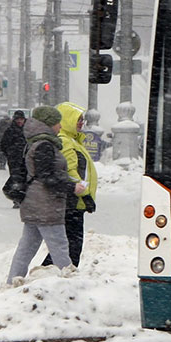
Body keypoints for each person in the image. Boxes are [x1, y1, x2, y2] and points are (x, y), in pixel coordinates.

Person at [5, 104, 87, 284]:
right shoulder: (45, 146)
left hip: (34, 202)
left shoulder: (35, 142)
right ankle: (71, 282)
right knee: (59, 244)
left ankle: (12, 281)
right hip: (46, 203)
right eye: (57, 122)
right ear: (48, 124)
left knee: (27, 246)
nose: (60, 126)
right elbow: (47, 176)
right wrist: (72, 187)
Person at [41, 101, 97, 268]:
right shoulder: (65, 141)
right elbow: (70, 171)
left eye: (82, 120)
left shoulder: (73, 140)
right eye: (78, 119)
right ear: (67, 119)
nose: (81, 123)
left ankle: (54, 274)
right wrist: (84, 194)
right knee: (70, 245)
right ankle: (56, 274)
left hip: (73, 200)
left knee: (66, 244)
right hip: (72, 201)